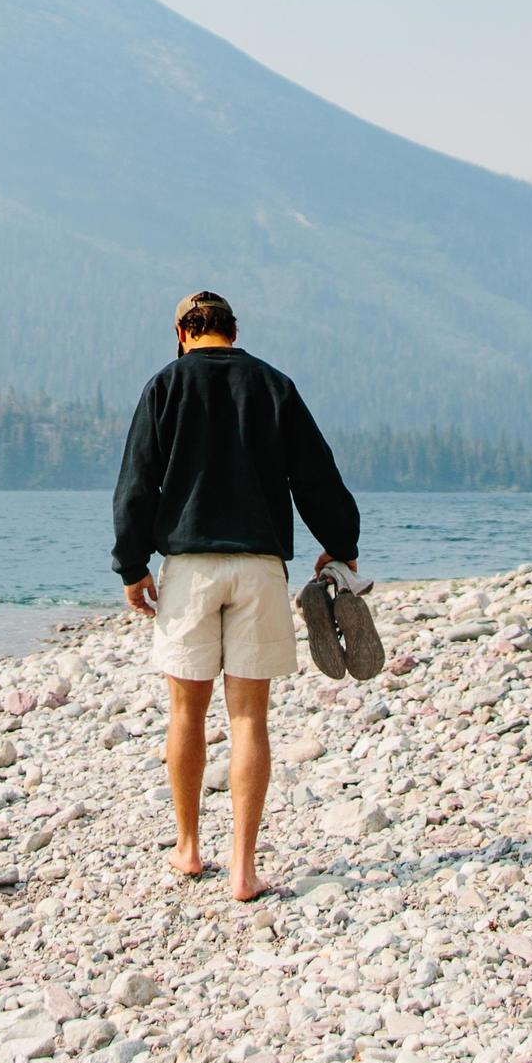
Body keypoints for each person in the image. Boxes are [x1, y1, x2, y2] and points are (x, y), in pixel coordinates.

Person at [111, 289, 361, 901]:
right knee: (249, 718)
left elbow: (138, 481)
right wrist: (341, 542)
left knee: (185, 713)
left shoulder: (164, 386)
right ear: (234, 329)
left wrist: (131, 565)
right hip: (258, 567)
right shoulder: (273, 385)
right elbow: (315, 473)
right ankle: (245, 869)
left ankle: (189, 849)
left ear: (181, 333)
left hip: (190, 569)